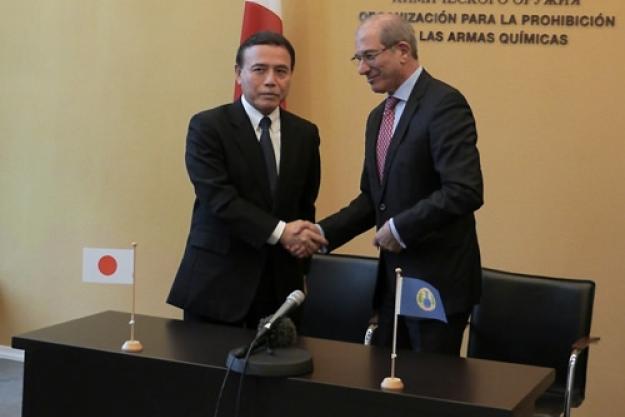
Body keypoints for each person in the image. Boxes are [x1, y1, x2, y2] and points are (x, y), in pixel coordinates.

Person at [318, 14, 483, 355]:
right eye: (358, 58)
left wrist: (400, 227)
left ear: (403, 50)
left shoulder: (444, 105)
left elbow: (464, 189)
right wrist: (323, 234)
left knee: (428, 395)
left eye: (369, 56)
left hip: (435, 284)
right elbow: (373, 199)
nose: (362, 69)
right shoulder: (379, 116)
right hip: (392, 285)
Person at [167, 31, 327, 328]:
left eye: (281, 71)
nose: (271, 80)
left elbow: (305, 203)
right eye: (259, 69)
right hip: (217, 286)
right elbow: (219, 199)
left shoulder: (305, 133)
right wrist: (282, 232)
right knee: (207, 375)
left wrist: (303, 265)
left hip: (280, 288)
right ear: (239, 74)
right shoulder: (208, 126)